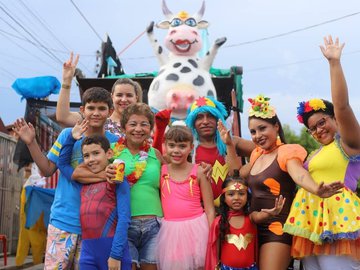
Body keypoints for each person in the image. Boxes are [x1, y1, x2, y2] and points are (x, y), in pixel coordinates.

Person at [13, 87, 119, 269]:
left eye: (101, 109)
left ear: (110, 112)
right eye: (91, 108)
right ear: (82, 110)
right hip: (63, 221)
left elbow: (115, 179)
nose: (95, 113)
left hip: (96, 227)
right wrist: (31, 143)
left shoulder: (116, 143)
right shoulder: (66, 135)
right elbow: (47, 169)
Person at [283, 36, 360, 269]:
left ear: (335, 119)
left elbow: (342, 105)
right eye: (312, 128)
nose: (318, 130)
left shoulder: (348, 144)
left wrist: (334, 63)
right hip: (312, 223)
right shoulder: (315, 154)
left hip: (338, 222)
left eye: (322, 121)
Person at [241, 94, 343, 270]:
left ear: (276, 126)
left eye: (262, 128)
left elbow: (300, 175)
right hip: (253, 227)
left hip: (277, 230)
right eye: (253, 131)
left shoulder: (287, 152)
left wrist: (317, 190)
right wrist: (228, 144)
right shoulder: (257, 154)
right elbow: (239, 176)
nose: (258, 135)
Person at [57, 125, 132, 270]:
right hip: (87, 254)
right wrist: (71, 137)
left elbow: (124, 218)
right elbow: (62, 163)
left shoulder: (117, 180)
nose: (91, 159)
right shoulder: (83, 181)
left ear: (109, 154)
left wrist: (116, 255)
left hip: (113, 253)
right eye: (86, 156)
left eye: (96, 153)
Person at [156, 125, 215, 270]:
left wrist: (212, 237)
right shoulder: (161, 170)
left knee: (198, 265)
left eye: (182, 146)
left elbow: (210, 209)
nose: (176, 150)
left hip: (197, 229)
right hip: (170, 231)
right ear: (165, 146)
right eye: (171, 145)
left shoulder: (200, 171)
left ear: (191, 147)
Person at [205, 173, 286, 270]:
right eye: (231, 194)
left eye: (241, 194)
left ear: (248, 196)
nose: (236, 198)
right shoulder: (219, 222)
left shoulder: (251, 218)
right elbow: (215, 252)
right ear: (224, 198)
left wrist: (270, 213)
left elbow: (259, 216)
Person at [185, 96, 255, 205]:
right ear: (193, 122)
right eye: (199, 117)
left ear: (218, 119)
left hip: (232, 212)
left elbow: (264, 150)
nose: (205, 121)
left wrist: (248, 168)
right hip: (203, 213)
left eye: (210, 116)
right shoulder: (188, 149)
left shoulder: (232, 142)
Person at [56, 52, 143, 137]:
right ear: (112, 97)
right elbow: (63, 117)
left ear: (136, 98)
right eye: (119, 95)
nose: (124, 99)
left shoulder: (145, 124)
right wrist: (67, 81)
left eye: (129, 95)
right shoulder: (98, 118)